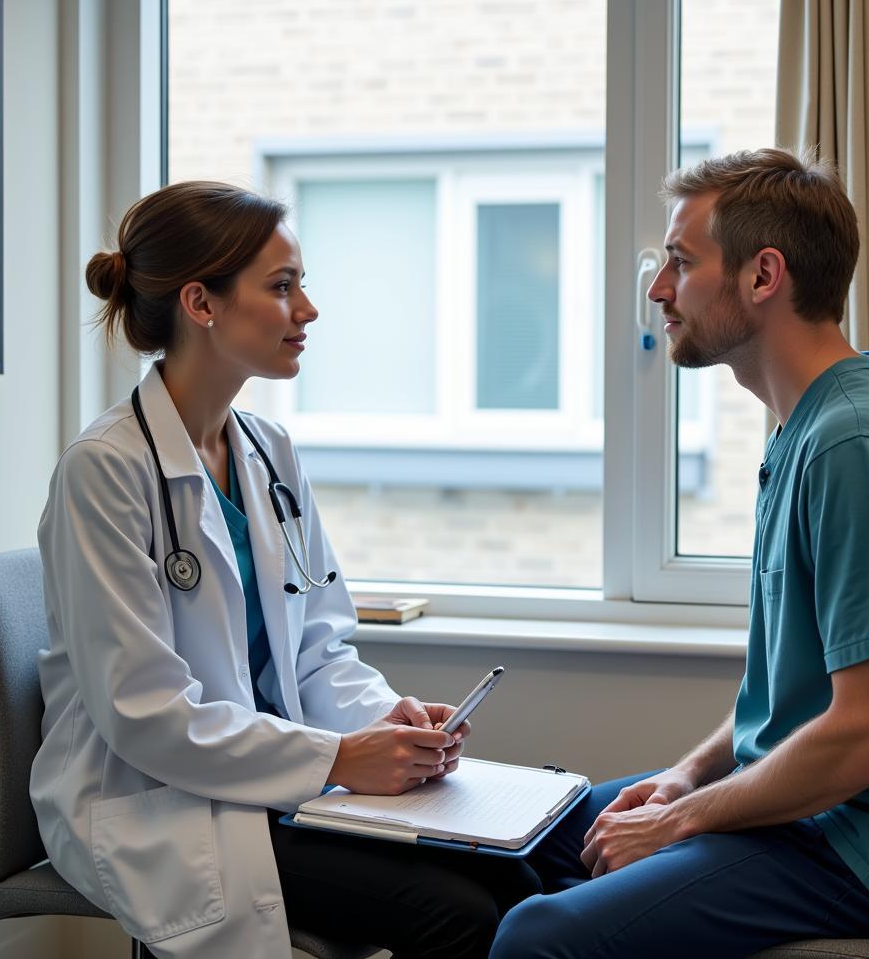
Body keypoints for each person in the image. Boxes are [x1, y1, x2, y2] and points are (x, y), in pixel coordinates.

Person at [490, 148, 869, 959]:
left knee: (538, 939)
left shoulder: (857, 444)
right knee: (522, 836)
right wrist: (688, 775)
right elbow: (788, 702)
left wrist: (678, 820)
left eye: (680, 264)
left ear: (763, 277)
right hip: (813, 814)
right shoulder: (807, 429)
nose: (658, 290)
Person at [31, 181, 538, 959]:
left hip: (277, 780)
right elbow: (145, 715)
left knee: (516, 882)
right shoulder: (104, 472)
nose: (308, 309)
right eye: (282, 286)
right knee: (461, 915)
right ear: (201, 304)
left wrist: (383, 724)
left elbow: (319, 648)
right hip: (158, 800)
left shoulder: (268, 451)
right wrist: (338, 758)